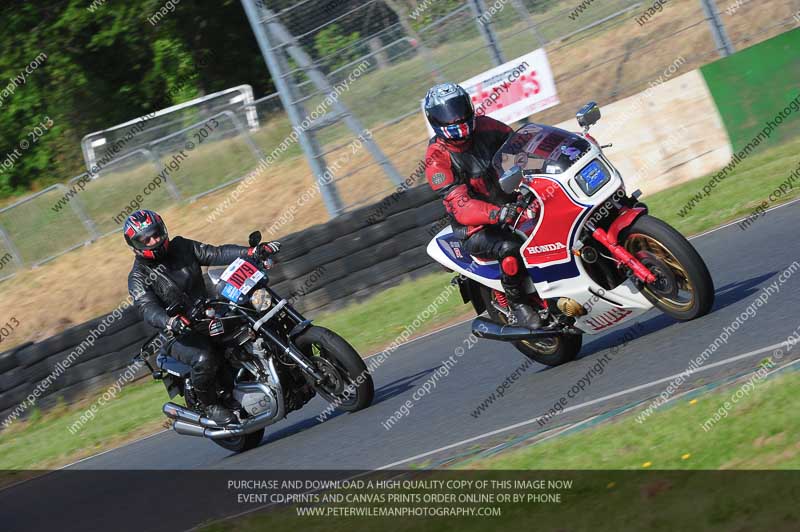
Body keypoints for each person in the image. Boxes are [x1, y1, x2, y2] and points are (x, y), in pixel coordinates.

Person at [125, 209, 281, 424]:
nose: (154, 240)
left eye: (156, 233)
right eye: (146, 239)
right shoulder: (138, 277)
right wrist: (170, 321)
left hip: (208, 312)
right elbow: (147, 307)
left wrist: (252, 252)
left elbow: (214, 253)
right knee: (204, 357)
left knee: (251, 316)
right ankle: (211, 405)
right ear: (135, 244)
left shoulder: (181, 246)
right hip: (178, 332)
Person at [423, 82, 541, 328]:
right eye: (447, 115)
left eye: (458, 109)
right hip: (477, 228)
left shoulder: (488, 127)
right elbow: (461, 205)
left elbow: (522, 150)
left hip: (514, 205)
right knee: (510, 247)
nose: (455, 118)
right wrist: (498, 214)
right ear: (435, 119)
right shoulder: (437, 158)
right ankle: (518, 302)